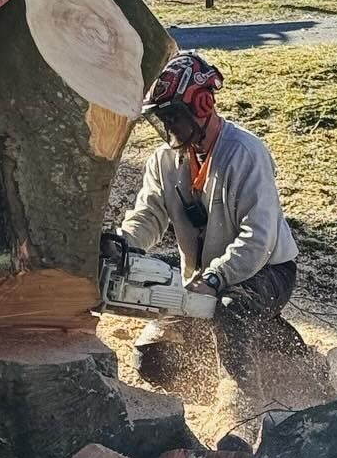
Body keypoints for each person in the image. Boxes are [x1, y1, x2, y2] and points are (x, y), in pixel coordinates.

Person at [104, 51, 300, 383]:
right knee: (151, 360)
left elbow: (258, 238)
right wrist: (123, 244)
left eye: (174, 117)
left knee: (232, 311)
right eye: (162, 119)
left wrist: (213, 280)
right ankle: (221, 368)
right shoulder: (165, 160)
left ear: (202, 106)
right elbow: (149, 214)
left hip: (265, 268)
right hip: (203, 273)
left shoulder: (246, 154)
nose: (169, 127)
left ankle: (245, 402)